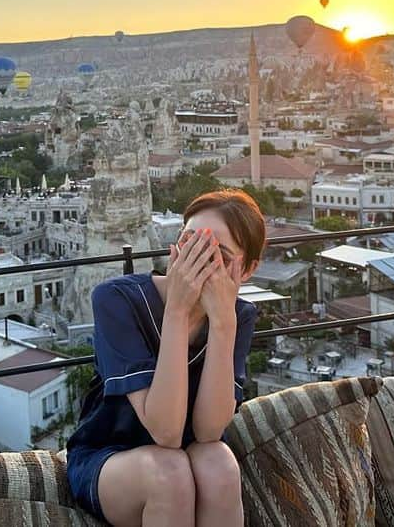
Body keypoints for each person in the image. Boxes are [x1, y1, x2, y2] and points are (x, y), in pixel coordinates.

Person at [67, 189, 263, 527]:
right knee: (169, 474)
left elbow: (208, 430)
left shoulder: (239, 316)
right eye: (191, 244)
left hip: (189, 455)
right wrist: (177, 310)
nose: (200, 263)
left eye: (220, 256)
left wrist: (223, 323)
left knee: (219, 463)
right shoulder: (117, 299)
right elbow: (166, 433)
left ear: (246, 269)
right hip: (112, 457)